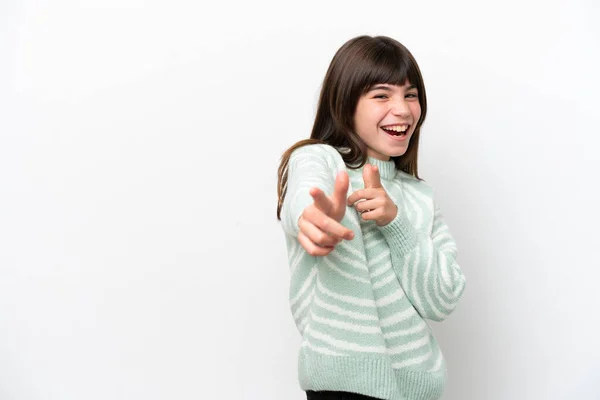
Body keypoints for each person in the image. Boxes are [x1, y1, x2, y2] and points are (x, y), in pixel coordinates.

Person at [276, 35, 467, 400]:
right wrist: (316, 219)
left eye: (410, 95)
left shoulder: (419, 196)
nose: (404, 109)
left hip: (420, 389)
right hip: (343, 386)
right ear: (346, 104)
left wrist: (396, 223)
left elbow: (444, 297)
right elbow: (305, 199)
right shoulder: (320, 161)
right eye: (382, 95)